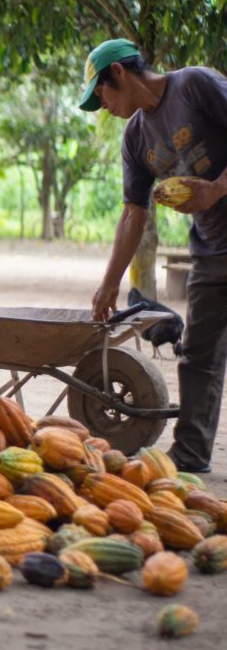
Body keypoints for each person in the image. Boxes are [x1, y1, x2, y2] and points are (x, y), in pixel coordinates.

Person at [79, 38, 227, 474]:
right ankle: (191, 455)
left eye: (100, 94)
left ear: (119, 74)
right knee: (198, 354)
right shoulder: (136, 136)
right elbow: (133, 212)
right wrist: (109, 284)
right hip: (211, 249)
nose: (101, 106)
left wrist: (217, 189)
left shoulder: (195, 85)